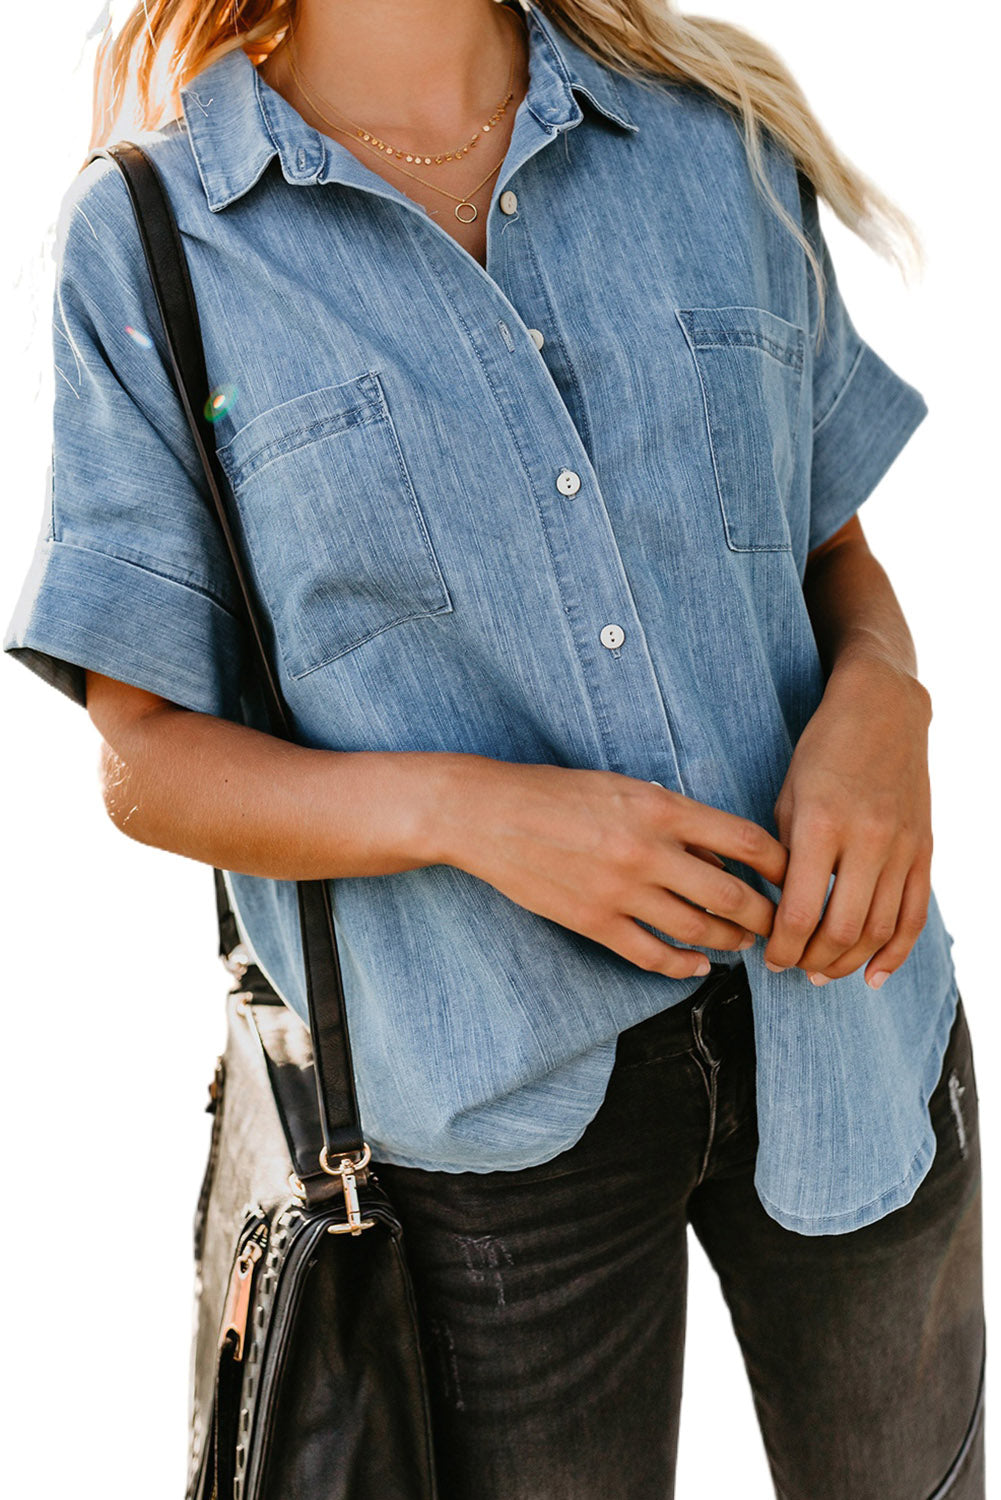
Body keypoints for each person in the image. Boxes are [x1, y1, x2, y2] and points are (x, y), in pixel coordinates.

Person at [4, 1, 985, 1495]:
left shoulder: (713, 139)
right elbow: (146, 754)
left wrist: (886, 704)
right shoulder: (154, 239)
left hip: (849, 1018)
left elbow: (828, 555)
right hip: (482, 1112)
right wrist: (471, 815)